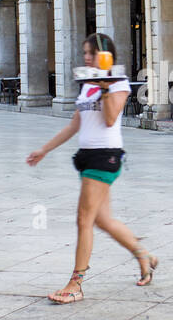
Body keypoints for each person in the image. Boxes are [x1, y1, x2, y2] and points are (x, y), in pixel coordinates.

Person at [26, 33, 157, 303]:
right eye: (85, 52)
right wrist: (44, 150)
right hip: (87, 156)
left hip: (105, 157)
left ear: (107, 55)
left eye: (92, 53)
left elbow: (110, 119)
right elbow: (75, 125)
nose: (87, 58)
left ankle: (76, 284)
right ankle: (143, 254)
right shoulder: (87, 85)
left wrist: (105, 86)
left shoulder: (118, 83)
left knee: (83, 219)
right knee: (102, 220)